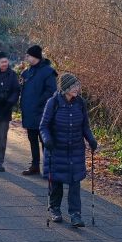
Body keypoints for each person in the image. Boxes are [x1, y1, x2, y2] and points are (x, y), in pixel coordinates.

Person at [40, 73, 98, 227]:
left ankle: (75, 214)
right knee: (57, 182)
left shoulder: (80, 103)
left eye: (77, 86)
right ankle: (55, 209)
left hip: (75, 150)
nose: (77, 89)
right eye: (73, 86)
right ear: (65, 88)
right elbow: (44, 126)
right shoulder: (53, 103)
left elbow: (85, 126)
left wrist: (91, 140)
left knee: (74, 182)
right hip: (56, 149)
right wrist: (47, 140)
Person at [19, 45, 57, 176]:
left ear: (34, 56)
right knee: (32, 139)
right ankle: (35, 166)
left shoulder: (48, 71)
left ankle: (49, 169)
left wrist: (38, 103)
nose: (26, 57)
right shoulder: (28, 71)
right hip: (29, 113)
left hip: (42, 113)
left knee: (45, 141)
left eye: (28, 55)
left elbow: (51, 91)